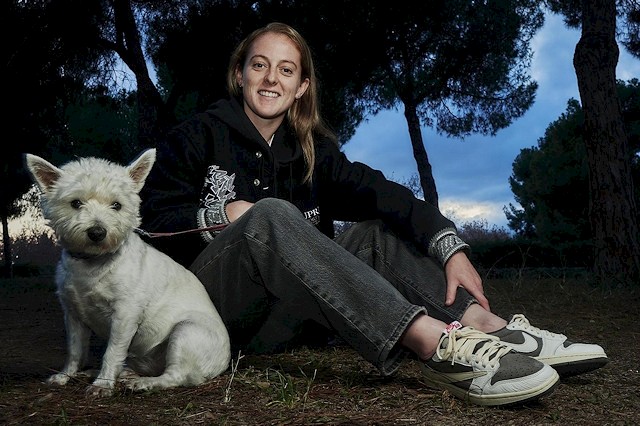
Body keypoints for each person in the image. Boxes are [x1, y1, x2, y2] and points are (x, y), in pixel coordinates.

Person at [140, 22, 608, 406]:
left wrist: (449, 246)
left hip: (291, 321)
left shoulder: (312, 152)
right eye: (259, 65)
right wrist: (220, 212)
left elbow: (383, 194)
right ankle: (433, 344)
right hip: (214, 315)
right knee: (269, 217)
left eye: (286, 70)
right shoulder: (196, 136)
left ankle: (491, 329)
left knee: (371, 233)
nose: (270, 79)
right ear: (239, 73)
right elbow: (146, 222)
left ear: (301, 86)